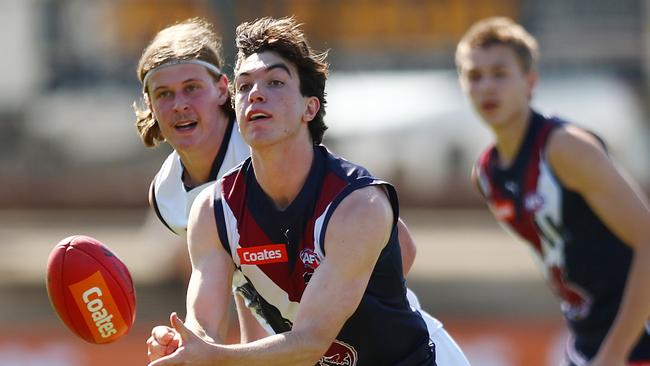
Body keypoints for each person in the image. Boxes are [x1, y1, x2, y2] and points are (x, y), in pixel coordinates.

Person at [137, 16, 469, 366]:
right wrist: (186, 345)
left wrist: (343, 288)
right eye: (246, 86)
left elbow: (400, 249)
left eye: (191, 88)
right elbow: (224, 308)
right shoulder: (192, 201)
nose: (179, 105)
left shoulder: (356, 201)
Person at [456, 16, 650, 366]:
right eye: (474, 76)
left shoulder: (565, 149)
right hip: (587, 339)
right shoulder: (486, 174)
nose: (486, 86)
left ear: (530, 82)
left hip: (634, 341)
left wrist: (616, 351)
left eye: (500, 73)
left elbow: (648, 239)